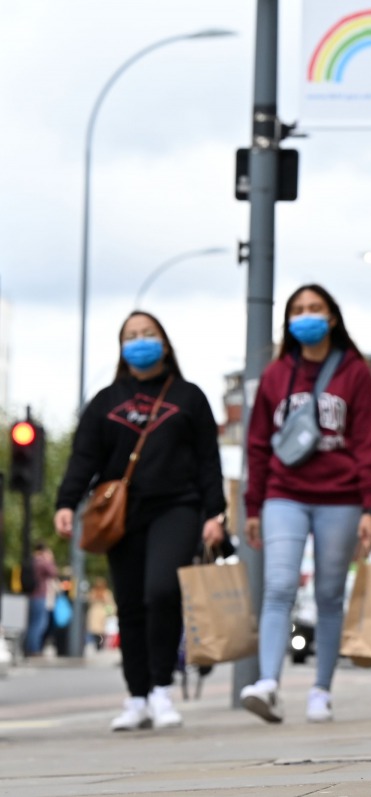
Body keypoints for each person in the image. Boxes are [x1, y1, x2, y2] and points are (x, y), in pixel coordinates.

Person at [54, 311, 227, 731]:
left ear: (164, 343)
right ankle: (136, 696)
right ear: (121, 347)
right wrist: (66, 502)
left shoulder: (188, 397)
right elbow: (84, 458)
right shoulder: (106, 401)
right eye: (131, 336)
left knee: (162, 592)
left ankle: (161, 690)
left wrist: (215, 512)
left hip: (178, 507)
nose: (140, 341)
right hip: (121, 515)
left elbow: (208, 459)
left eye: (147, 334)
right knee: (129, 603)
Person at [240, 284, 371, 724]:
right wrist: (252, 506)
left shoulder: (354, 373)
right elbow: (258, 444)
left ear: (332, 317)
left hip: (340, 498)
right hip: (284, 494)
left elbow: (367, 442)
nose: (306, 316)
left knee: (328, 595)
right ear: (288, 321)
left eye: (315, 308)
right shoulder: (276, 374)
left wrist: (369, 507)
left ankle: (321, 690)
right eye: (298, 310)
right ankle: (268, 684)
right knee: (279, 586)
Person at [24, 543, 58, 656]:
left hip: (31, 595)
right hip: (39, 595)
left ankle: (30, 648)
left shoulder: (32, 560)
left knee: (33, 623)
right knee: (39, 623)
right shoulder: (42, 562)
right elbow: (54, 572)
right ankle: (34, 649)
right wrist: (49, 559)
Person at [87, 576, 116, 650]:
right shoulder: (93, 592)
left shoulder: (107, 593)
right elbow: (89, 602)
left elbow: (110, 604)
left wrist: (110, 613)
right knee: (95, 631)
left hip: (103, 613)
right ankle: (97, 643)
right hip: (94, 612)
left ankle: (100, 644)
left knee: (102, 631)